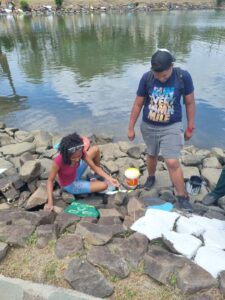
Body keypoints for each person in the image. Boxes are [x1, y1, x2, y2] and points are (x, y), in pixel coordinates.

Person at [128, 49, 195, 211]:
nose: (161, 79)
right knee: (151, 154)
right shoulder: (147, 77)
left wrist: (190, 127)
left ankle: (181, 195)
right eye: (158, 76)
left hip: (171, 126)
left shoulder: (182, 77)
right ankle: (151, 177)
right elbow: (138, 104)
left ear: (171, 66)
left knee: (172, 161)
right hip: (149, 126)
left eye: (164, 75)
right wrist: (131, 127)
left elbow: (190, 103)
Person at [44, 132, 119, 211]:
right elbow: (50, 181)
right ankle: (92, 182)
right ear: (67, 155)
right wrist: (50, 202)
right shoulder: (58, 161)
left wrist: (109, 178)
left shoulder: (80, 152)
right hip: (71, 185)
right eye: (73, 158)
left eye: (79, 157)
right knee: (104, 186)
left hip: (76, 172)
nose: (77, 159)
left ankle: (96, 176)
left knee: (95, 149)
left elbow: (93, 166)